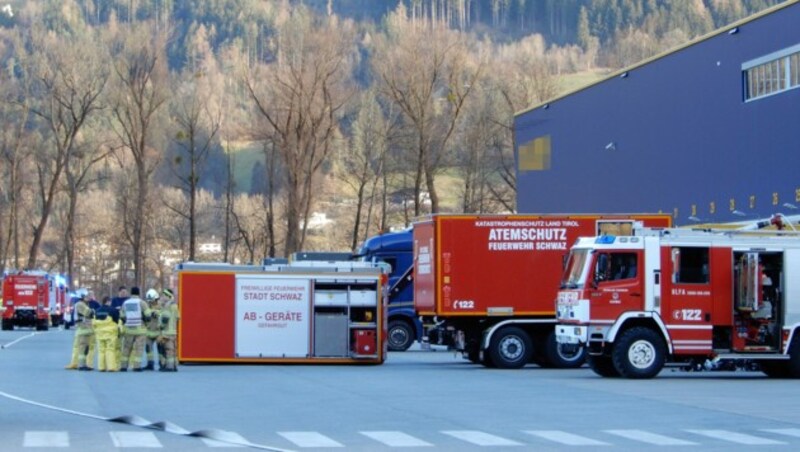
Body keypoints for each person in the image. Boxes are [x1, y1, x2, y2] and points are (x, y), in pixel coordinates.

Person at [119, 287, 151, 372]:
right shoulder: (141, 302)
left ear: (131, 293)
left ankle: (123, 366)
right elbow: (148, 315)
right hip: (140, 329)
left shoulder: (125, 303)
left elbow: (122, 315)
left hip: (129, 328)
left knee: (126, 348)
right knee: (139, 348)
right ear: (138, 293)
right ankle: (136, 366)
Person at [64, 295, 95, 371]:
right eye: (87, 297)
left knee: (81, 348)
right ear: (82, 297)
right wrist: (93, 311)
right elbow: (89, 313)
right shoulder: (80, 304)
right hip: (83, 329)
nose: (89, 298)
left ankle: (80, 364)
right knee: (83, 348)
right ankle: (82, 365)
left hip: (82, 329)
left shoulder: (82, 304)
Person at [93, 296, 120, 372]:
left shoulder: (97, 311)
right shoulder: (113, 310)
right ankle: (111, 367)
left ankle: (101, 367)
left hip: (100, 334)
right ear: (108, 301)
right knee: (110, 350)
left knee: (101, 350)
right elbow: (117, 321)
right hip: (110, 334)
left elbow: (94, 322)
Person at [159, 288, 179, 372]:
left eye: (164, 295)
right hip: (173, 331)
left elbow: (165, 318)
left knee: (168, 349)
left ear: (168, 296)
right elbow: (178, 317)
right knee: (173, 349)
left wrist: (161, 326)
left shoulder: (167, 306)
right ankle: (174, 366)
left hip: (167, 332)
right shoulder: (175, 305)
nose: (162, 297)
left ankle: (169, 366)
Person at [143, 289, 162, 371]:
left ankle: (162, 364)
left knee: (160, 349)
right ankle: (150, 363)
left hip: (158, 331)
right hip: (149, 331)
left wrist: (155, 313)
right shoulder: (147, 306)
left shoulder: (161, 305)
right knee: (148, 348)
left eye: (152, 301)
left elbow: (163, 314)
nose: (150, 302)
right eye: (149, 301)